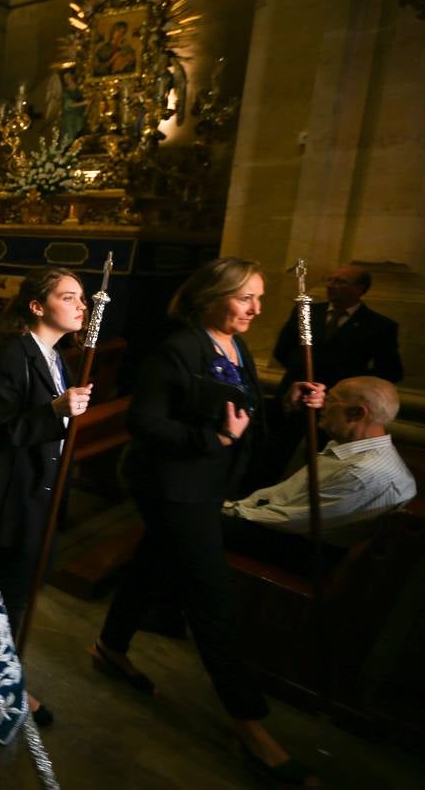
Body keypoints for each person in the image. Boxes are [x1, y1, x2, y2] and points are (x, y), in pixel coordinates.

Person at [92, 258, 324, 786]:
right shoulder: (178, 349)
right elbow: (143, 421)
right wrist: (210, 440)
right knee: (212, 597)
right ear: (212, 296)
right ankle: (250, 725)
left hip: (211, 483)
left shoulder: (235, 346)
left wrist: (289, 403)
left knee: (152, 561)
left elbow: (244, 410)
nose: (257, 309)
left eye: (260, 298)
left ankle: (109, 647)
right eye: (247, 298)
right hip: (173, 487)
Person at [0, 267, 92, 726]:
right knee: (4, 595)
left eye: (82, 298)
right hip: (11, 495)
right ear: (37, 307)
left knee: (18, 590)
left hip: (41, 491)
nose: (81, 306)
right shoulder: (12, 354)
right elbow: (0, 430)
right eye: (69, 296)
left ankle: (2, 677)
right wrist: (55, 410)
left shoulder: (58, 358)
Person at [223, 376, 415, 568]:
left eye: (330, 400)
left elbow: (284, 519)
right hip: (285, 529)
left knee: (199, 521)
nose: (321, 404)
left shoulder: (362, 472)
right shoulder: (353, 449)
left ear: (357, 413)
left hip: (298, 551)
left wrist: (224, 509)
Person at [272, 264, 403, 393]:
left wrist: (348, 382)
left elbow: (391, 372)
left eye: (340, 282)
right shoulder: (305, 312)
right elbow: (282, 351)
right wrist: (300, 373)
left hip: (338, 400)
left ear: (359, 288)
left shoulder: (379, 326)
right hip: (294, 394)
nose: (330, 285)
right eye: (330, 280)